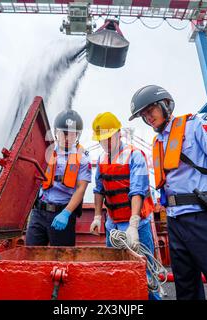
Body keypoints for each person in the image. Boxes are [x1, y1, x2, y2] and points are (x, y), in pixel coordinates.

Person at [129, 85, 207, 300]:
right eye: (143, 115)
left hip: (204, 219)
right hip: (175, 222)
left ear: (165, 105)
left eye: (151, 110)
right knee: (186, 290)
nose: (148, 117)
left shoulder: (193, 125)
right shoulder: (158, 142)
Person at [89, 112, 161, 300]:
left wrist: (134, 224)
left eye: (108, 138)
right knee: (115, 271)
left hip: (136, 224)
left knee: (145, 273)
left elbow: (137, 190)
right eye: (101, 140)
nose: (105, 143)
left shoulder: (135, 155)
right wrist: (97, 217)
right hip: (112, 225)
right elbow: (98, 190)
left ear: (118, 133)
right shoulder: (101, 160)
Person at [26, 109, 91, 246]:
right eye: (64, 133)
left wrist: (66, 213)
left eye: (72, 135)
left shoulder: (83, 158)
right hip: (38, 213)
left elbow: (81, 188)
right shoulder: (45, 151)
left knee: (62, 260)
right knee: (31, 256)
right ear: (56, 132)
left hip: (62, 213)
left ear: (78, 135)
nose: (68, 138)